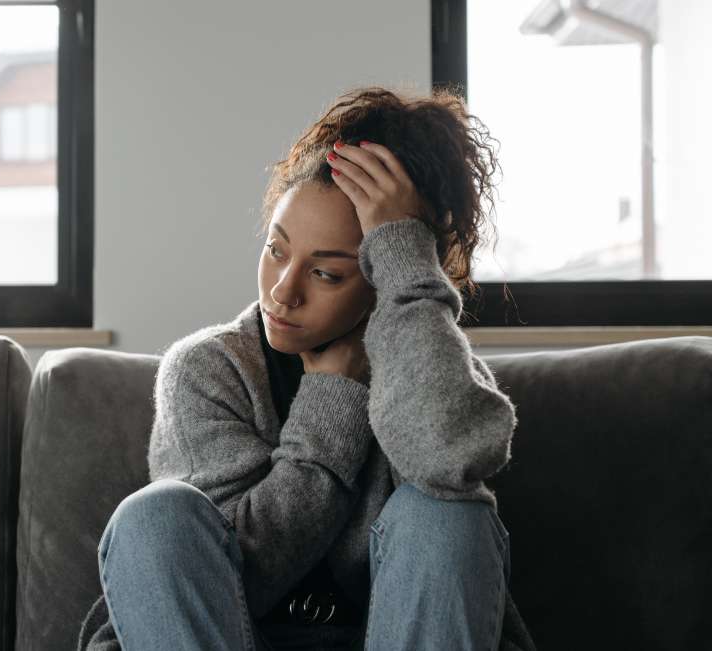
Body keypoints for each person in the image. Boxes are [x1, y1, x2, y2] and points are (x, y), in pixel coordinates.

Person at [76, 85, 537, 651]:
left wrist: (407, 263)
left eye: (327, 274)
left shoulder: (438, 371)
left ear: (384, 277)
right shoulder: (208, 369)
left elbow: (449, 462)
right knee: (154, 517)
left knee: (445, 515)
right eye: (276, 249)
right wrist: (331, 400)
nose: (283, 292)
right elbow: (237, 579)